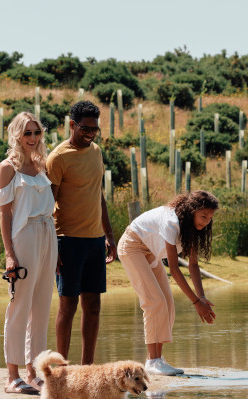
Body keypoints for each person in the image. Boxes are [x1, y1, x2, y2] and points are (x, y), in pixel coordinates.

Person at [117, 190, 219, 376]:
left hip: (150, 252)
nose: (206, 222)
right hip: (132, 247)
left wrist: (202, 297)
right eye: (203, 216)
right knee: (154, 301)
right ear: (192, 211)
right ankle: (152, 362)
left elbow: (193, 265)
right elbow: (174, 269)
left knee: (168, 303)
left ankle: (157, 360)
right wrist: (196, 302)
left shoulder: (192, 228)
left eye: (210, 218)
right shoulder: (172, 222)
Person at [46, 101, 116, 365]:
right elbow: (47, 207)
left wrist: (109, 235)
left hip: (95, 240)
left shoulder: (96, 152)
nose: (90, 134)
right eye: (85, 129)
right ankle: (62, 368)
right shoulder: (58, 158)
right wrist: (52, 247)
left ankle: (87, 367)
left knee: (93, 305)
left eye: (95, 129)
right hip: (68, 241)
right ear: (72, 125)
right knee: (68, 305)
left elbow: (98, 194)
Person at [0, 111, 57, 395]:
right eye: (27, 132)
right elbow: (5, 214)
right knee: (19, 305)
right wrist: (10, 254)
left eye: (36, 132)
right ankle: (12, 376)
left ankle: (35, 372)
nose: (32, 138)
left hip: (48, 234)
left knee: (42, 307)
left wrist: (55, 249)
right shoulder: (8, 167)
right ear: (17, 135)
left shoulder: (42, 164)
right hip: (24, 236)